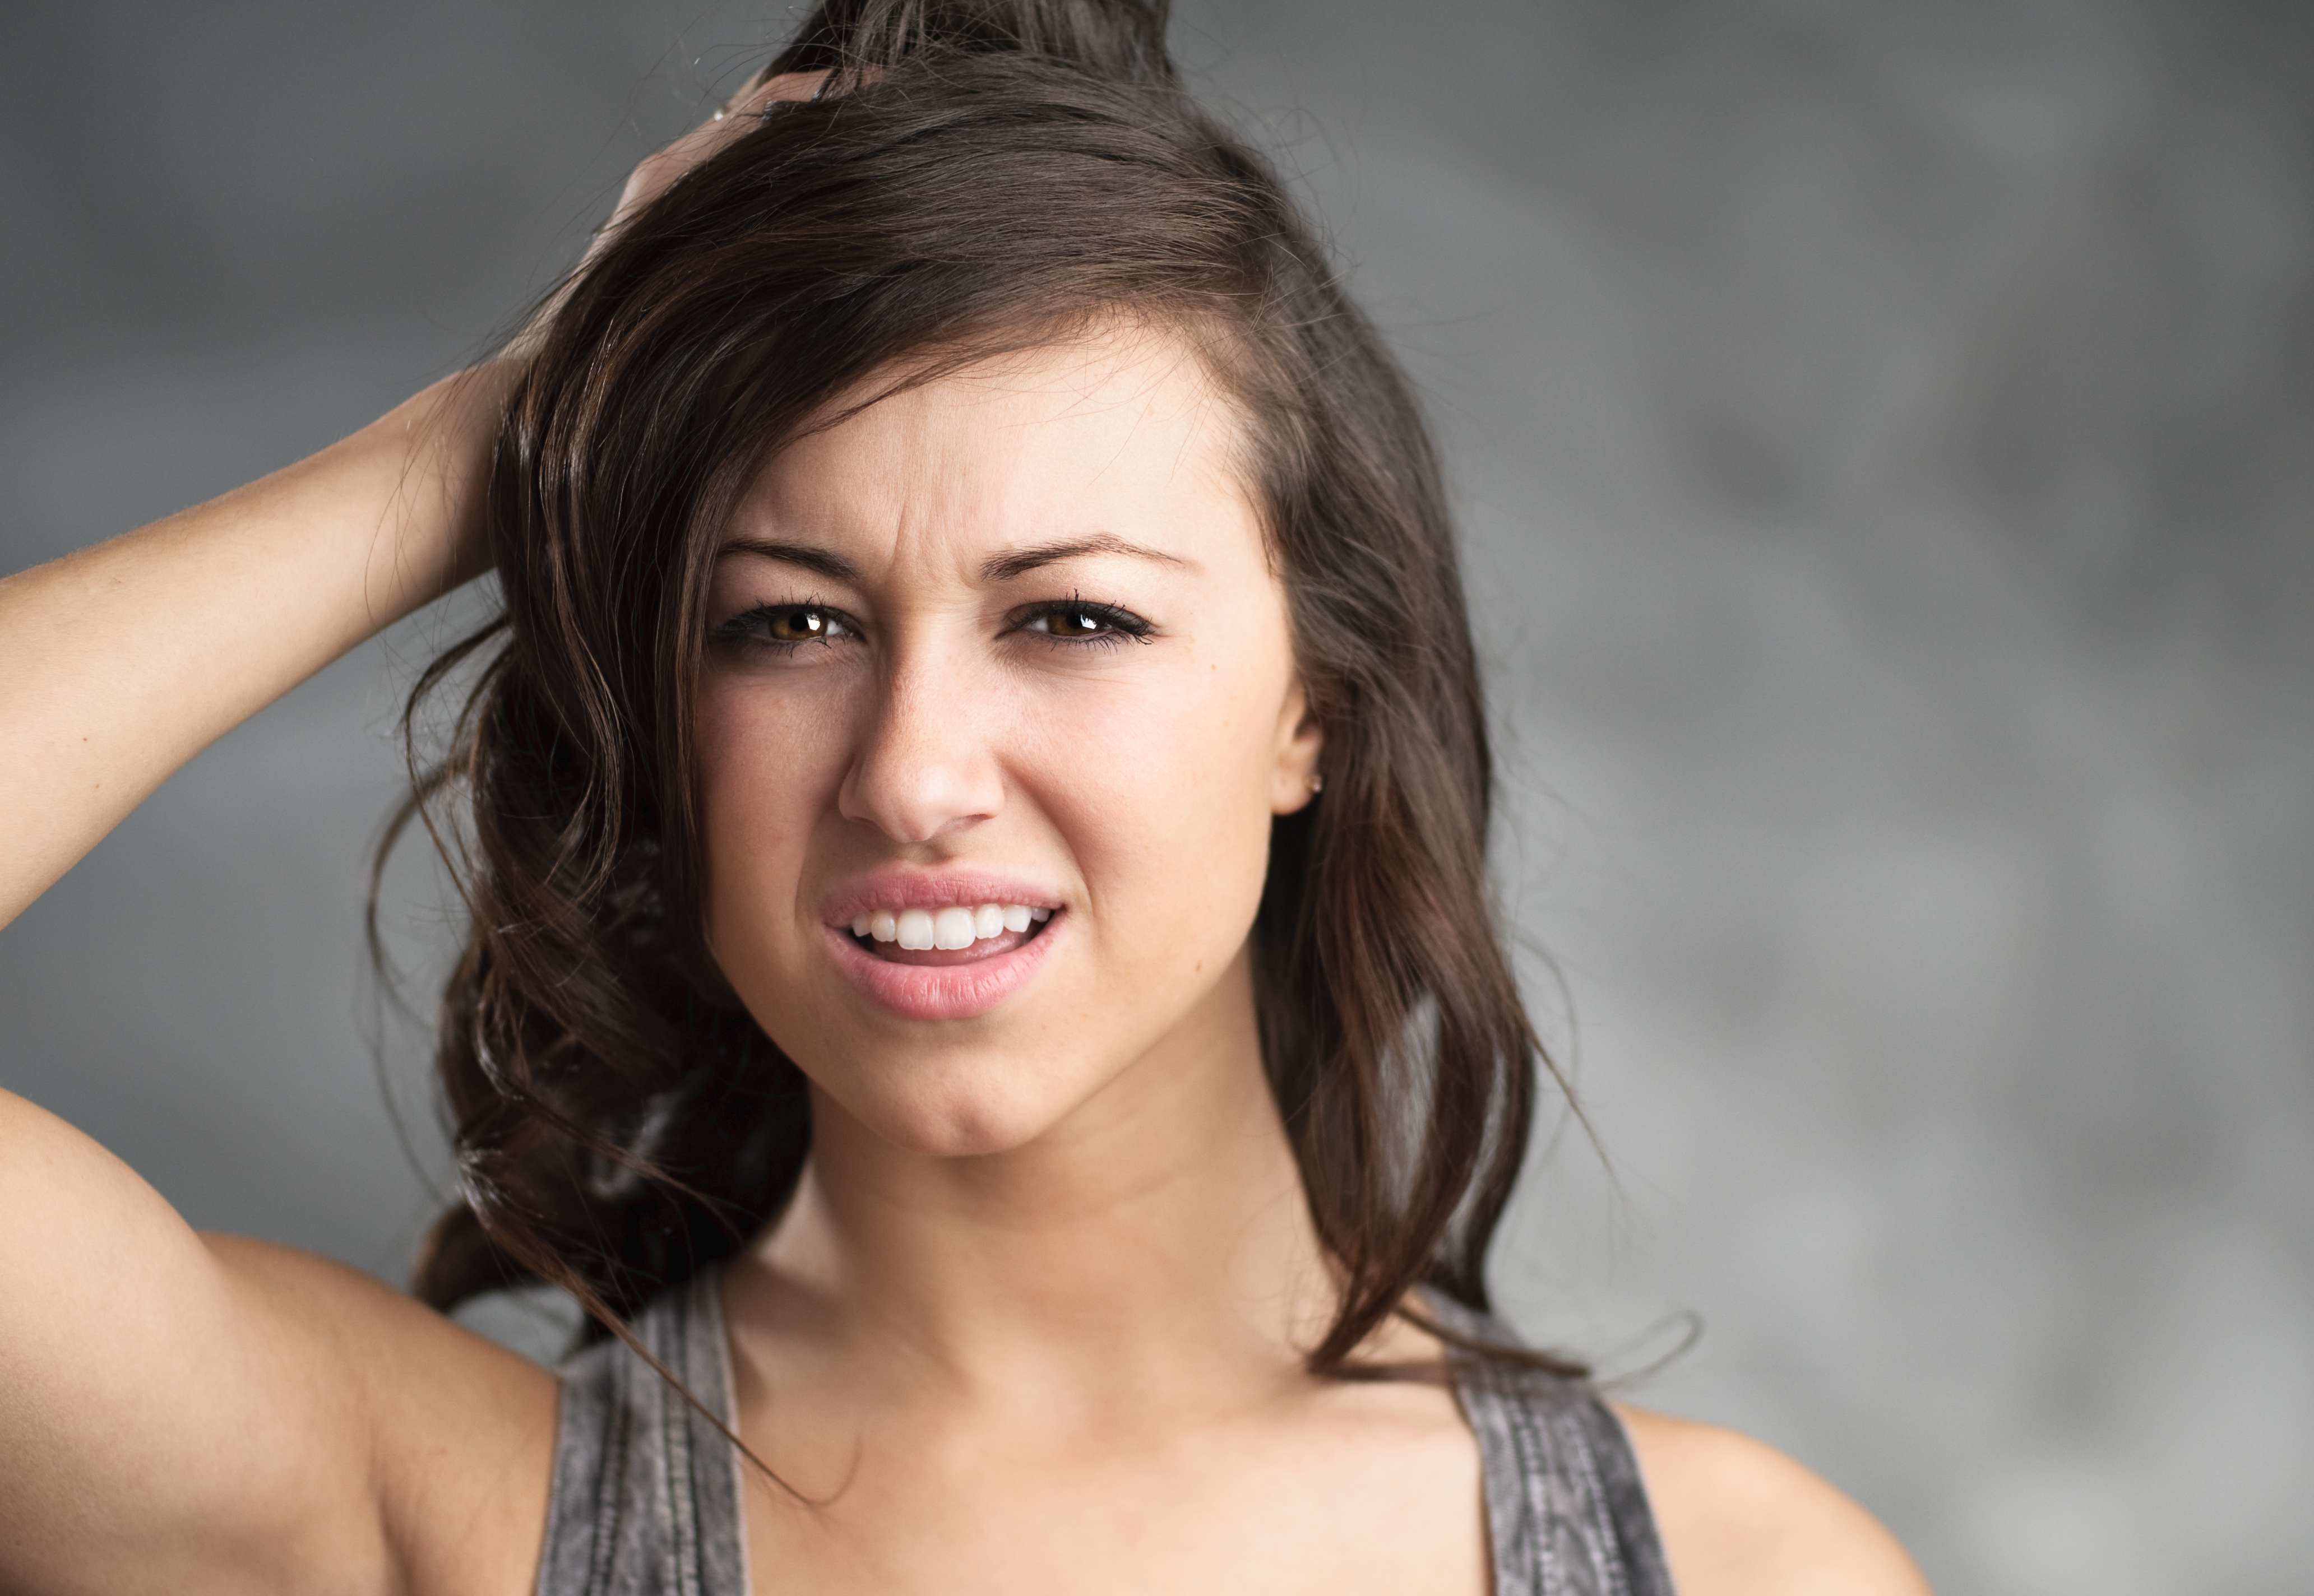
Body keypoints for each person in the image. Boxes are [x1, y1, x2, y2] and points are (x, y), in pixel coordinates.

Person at [0, 3, 1931, 1592]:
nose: (914, 774)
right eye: (787, 625)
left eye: (1073, 616)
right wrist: (511, 428)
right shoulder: (424, 1513)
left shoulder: (1748, 1567)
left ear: (1314, 707)